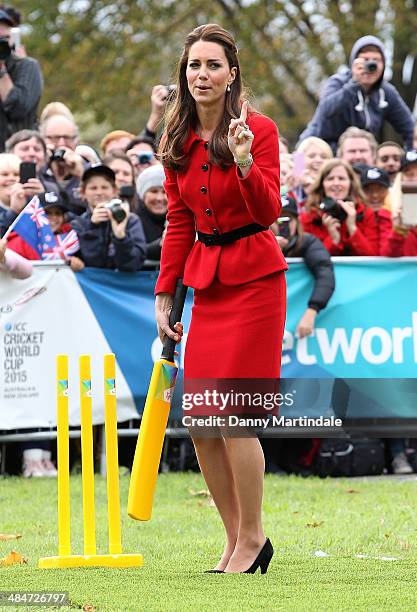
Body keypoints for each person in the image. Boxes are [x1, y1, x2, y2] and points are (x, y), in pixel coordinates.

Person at [155, 24, 287, 574]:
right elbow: (180, 221)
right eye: (193, 66)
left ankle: (255, 538)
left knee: (235, 415)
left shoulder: (258, 129)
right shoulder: (176, 137)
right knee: (202, 423)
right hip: (207, 283)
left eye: (212, 65)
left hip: (256, 281)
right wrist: (166, 295)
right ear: (183, 75)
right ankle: (235, 540)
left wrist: (245, 161)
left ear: (232, 73)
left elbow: (268, 212)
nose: (202, 74)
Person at [299, 35, 414, 152]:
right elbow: (326, 109)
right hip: (314, 151)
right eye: (365, 60)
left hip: (356, 156)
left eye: (376, 60)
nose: (370, 65)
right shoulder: (337, 82)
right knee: (296, 168)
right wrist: (354, 84)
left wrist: (410, 159)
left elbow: (411, 129)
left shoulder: (386, 93)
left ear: (384, 65)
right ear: (353, 63)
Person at [272, 196, 335, 337]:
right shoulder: (258, 244)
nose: (283, 225)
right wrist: (269, 249)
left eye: (288, 220)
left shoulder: (307, 242)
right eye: (278, 219)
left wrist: (312, 311)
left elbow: (325, 273)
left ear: (297, 222)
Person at [71, 164, 146, 270]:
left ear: (115, 191)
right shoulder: (78, 224)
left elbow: (133, 265)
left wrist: (121, 237)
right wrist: (93, 227)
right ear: (83, 192)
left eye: (105, 187)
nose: (99, 192)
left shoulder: (130, 220)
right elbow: (92, 263)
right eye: (93, 188)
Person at [301, 159, 377, 255]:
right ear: (321, 184)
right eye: (330, 179)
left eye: (341, 178)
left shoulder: (366, 213)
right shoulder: (309, 216)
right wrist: (333, 238)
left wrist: (352, 228)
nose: (336, 183)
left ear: (351, 184)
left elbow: (372, 257)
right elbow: (312, 260)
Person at [0, 6, 43, 152]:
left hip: (20, 155)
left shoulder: (26, 66)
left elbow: (18, 107)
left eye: (4, 39)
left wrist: (1, 70)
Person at [39, 114, 87, 215]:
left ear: (76, 141)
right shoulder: (37, 171)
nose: (62, 143)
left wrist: (82, 174)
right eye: (55, 138)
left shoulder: (88, 171)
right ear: (43, 140)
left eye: (67, 138)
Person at [382, 150, 417, 257]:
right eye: (409, 174)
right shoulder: (387, 208)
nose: (416, 179)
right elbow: (386, 255)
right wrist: (399, 230)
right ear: (401, 178)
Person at [135, 163, 167, 263]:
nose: (159, 198)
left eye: (165, 192)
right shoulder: (132, 218)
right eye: (153, 191)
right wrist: (161, 244)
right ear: (143, 195)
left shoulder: (184, 219)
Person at [359, 166, 392, 254]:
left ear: (388, 191)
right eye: (368, 190)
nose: (375, 195)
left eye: (380, 189)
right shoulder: (354, 218)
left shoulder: (397, 217)